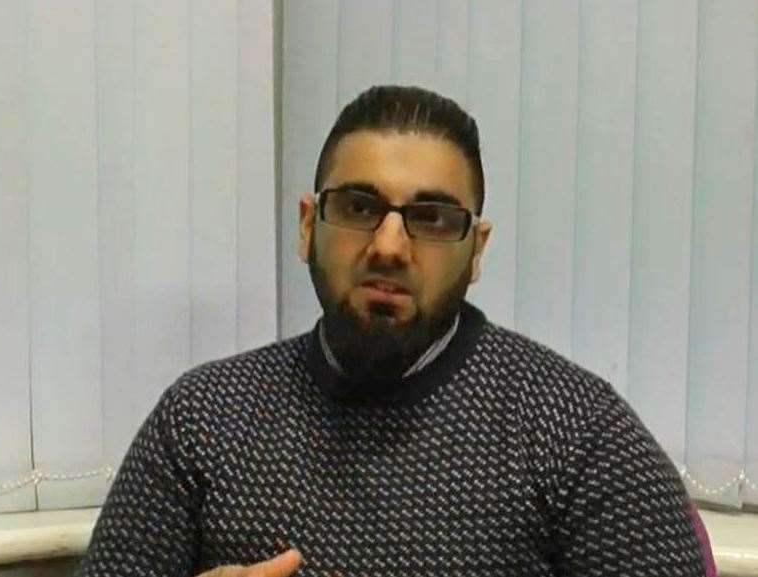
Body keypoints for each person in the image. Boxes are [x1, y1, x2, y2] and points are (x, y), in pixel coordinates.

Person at [76, 86, 715, 577]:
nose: (389, 245)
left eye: (431, 218)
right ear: (307, 225)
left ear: (476, 249)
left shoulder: (576, 431)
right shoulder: (204, 420)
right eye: (359, 207)